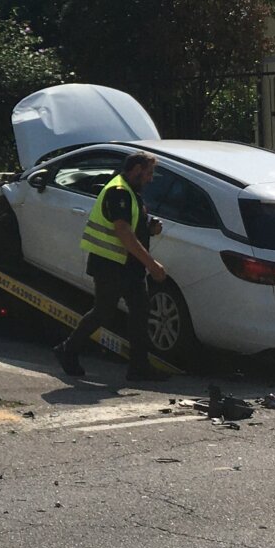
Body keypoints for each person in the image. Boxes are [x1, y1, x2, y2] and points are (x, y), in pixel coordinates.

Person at [54, 151, 170, 385]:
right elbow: (123, 231)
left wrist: (149, 226)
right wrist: (151, 263)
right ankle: (68, 349)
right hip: (111, 265)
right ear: (135, 169)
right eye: (148, 173)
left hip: (128, 266)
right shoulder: (118, 191)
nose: (150, 178)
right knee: (103, 312)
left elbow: (133, 224)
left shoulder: (130, 191)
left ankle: (138, 368)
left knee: (140, 312)